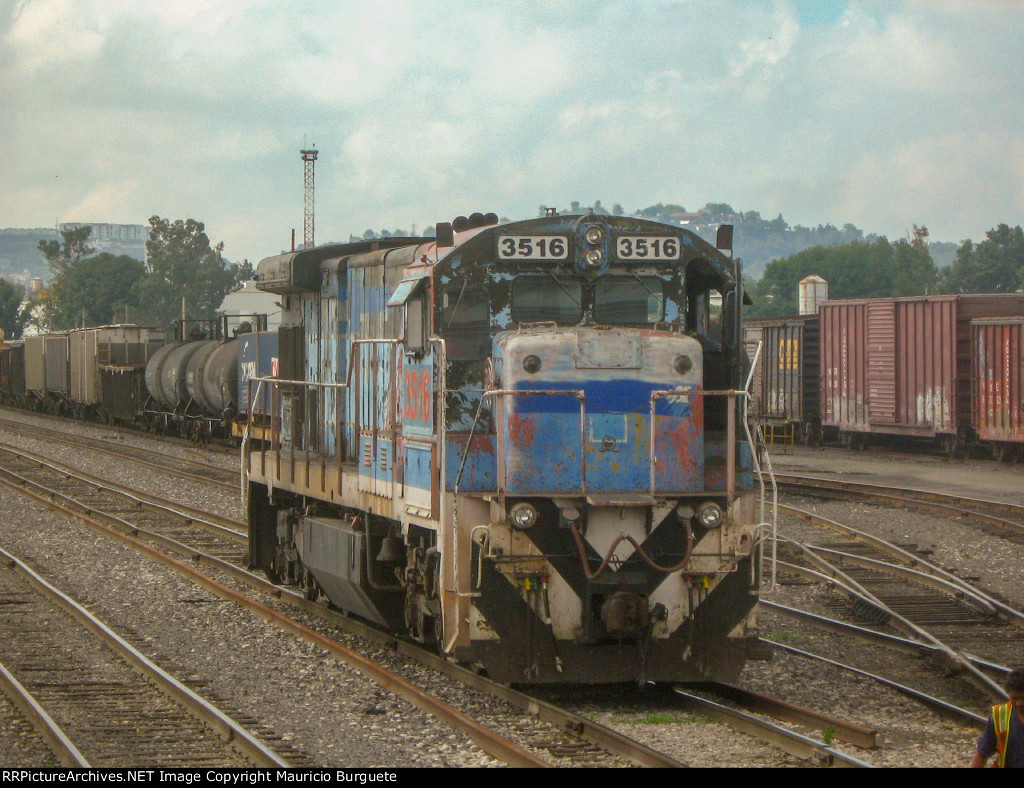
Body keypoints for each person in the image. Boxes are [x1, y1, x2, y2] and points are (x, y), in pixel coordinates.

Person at [971, 668, 1024, 767]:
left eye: (1023, 698)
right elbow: (982, 754)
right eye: (1014, 698)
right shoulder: (1001, 716)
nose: (1019, 703)